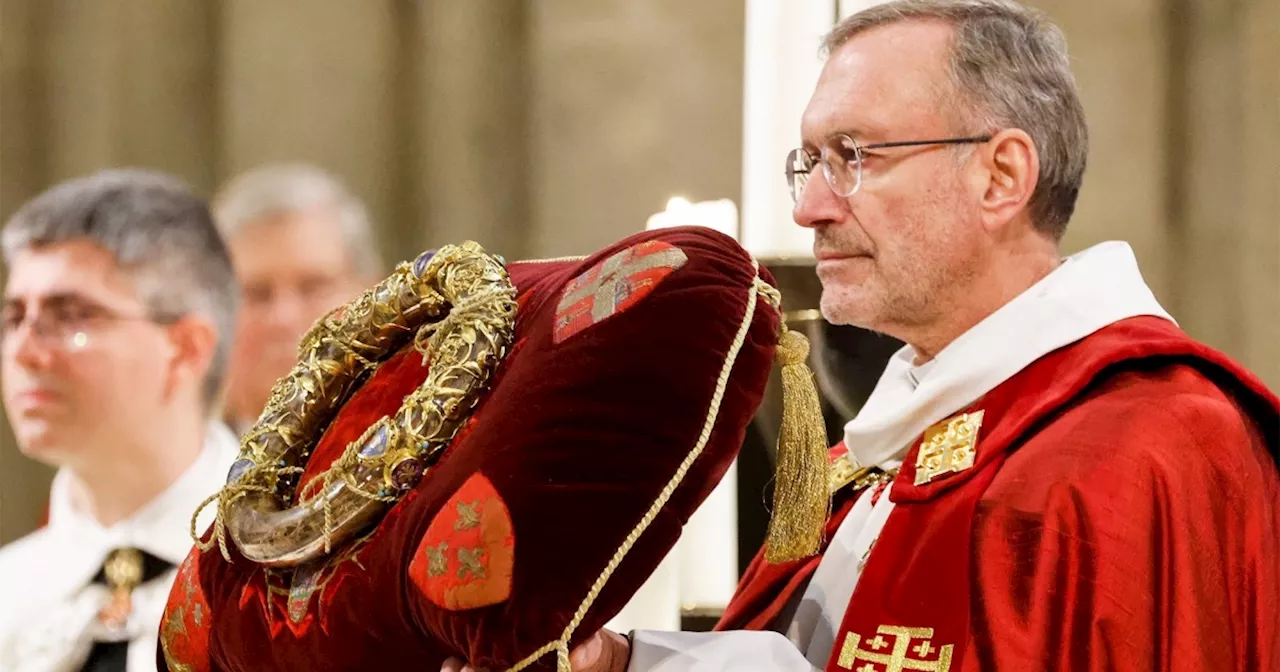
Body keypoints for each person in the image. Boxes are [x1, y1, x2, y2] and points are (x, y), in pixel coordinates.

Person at [444, 0, 1279, 670]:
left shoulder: (1151, 448)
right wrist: (625, 663)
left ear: (1001, 175)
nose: (808, 206)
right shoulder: (895, 449)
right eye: (807, 161)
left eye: (853, 154)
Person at [0, 169, 241, 672]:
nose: (24, 350)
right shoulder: (9, 592)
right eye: (14, 316)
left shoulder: (298, 587)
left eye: (70, 316)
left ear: (184, 349)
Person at [211, 163, 383, 435]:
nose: (283, 318)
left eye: (314, 286)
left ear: (372, 296)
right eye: (258, 293)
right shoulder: (176, 468)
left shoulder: (443, 455)